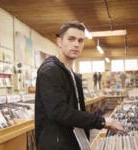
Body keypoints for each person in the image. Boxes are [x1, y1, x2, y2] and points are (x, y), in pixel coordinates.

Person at [35, 21, 124, 150]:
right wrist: (102, 121)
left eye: (80, 40)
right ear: (59, 42)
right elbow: (59, 112)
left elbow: (76, 110)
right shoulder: (49, 71)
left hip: (74, 141)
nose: (76, 44)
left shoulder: (73, 75)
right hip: (57, 145)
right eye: (71, 39)